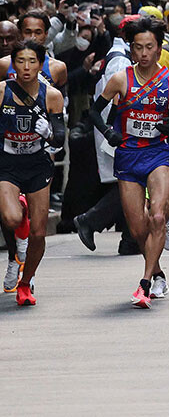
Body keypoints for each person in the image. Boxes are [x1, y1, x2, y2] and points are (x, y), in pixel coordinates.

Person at [89, 18, 169, 308]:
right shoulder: (120, 79)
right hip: (127, 156)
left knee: (157, 215)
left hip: (157, 154)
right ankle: (158, 272)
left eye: (150, 47)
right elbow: (94, 112)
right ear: (131, 51)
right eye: (138, 48)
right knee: (137, 230)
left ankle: (145, 283)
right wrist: (109, 133)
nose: (144, 53)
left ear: (159, 50)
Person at [0, 42, 65, 306]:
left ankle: (25, 283)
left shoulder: (52, 95)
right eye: (21, 62)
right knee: (12, 216)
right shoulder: (2, 91)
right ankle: (21, 210)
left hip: (37, 164)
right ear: (13, 64)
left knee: (39, 234)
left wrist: (49, 132)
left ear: (41, 64)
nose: (26, 68)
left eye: (32, 62)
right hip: (7, 163)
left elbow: (60, 137)